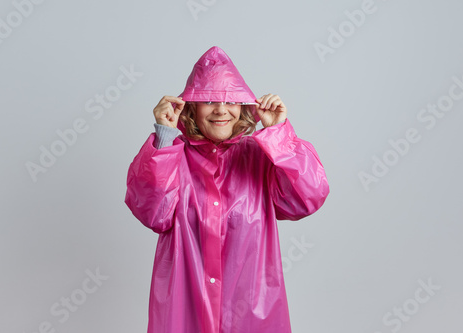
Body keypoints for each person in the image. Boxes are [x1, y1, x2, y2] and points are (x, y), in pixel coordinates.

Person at [125, 46, 330, 333]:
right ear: (191, 107)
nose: (221, 109)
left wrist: (278, 134)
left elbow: (308, 197)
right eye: (208, 99)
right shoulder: (172, 155)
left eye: (230, 99)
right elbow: (151, 212)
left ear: (243, 106)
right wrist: (164, 138)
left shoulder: (261, 156)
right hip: (185, 312)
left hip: (251, 313)